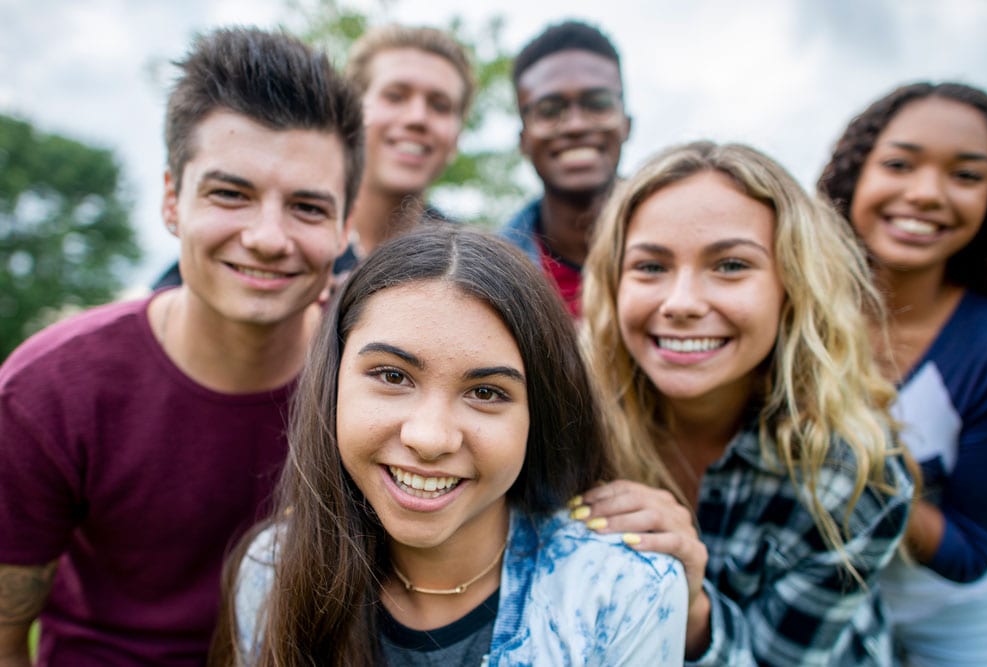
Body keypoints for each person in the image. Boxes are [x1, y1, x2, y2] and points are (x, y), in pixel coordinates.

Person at [0, 27, 363, 665]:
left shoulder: (376, 384)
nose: (268, 237)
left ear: (345, 227)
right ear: (172, 199)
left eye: (307, 206)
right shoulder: (47, 392)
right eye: (231, 194)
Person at [211, 227, 688, 666]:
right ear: (332, 384)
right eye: (393, 376)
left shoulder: (626, 593)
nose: (430, 438)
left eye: (485, 393)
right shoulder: (271, 573)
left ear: (538, 416)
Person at [577, 141, 914, 665]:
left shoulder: (853, 474)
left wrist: (691, 607)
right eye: (650, 267)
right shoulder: (568, 424)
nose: (682, 303)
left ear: (793, 287)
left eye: (731, 265)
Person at [818, 82, 987, 666]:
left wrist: (858, 468)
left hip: (955, 634)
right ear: (855, 173)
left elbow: (971, 552)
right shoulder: (798, 314)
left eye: (966, 176)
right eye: (899, 164)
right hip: (821, 621)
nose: (925, 193)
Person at [152, 23, 472, 290]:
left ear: (457, 134)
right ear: (350, 114)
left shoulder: (468, 262)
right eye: (394, 96)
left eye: (440, 106)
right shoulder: (240, 251)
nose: (417, 117)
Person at [499, 20, 631, 317]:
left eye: (597, 103)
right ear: (523, 139)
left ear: (627, 124)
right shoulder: (487, 276)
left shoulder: (691, 242)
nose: (576, 125)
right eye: (549, 110)